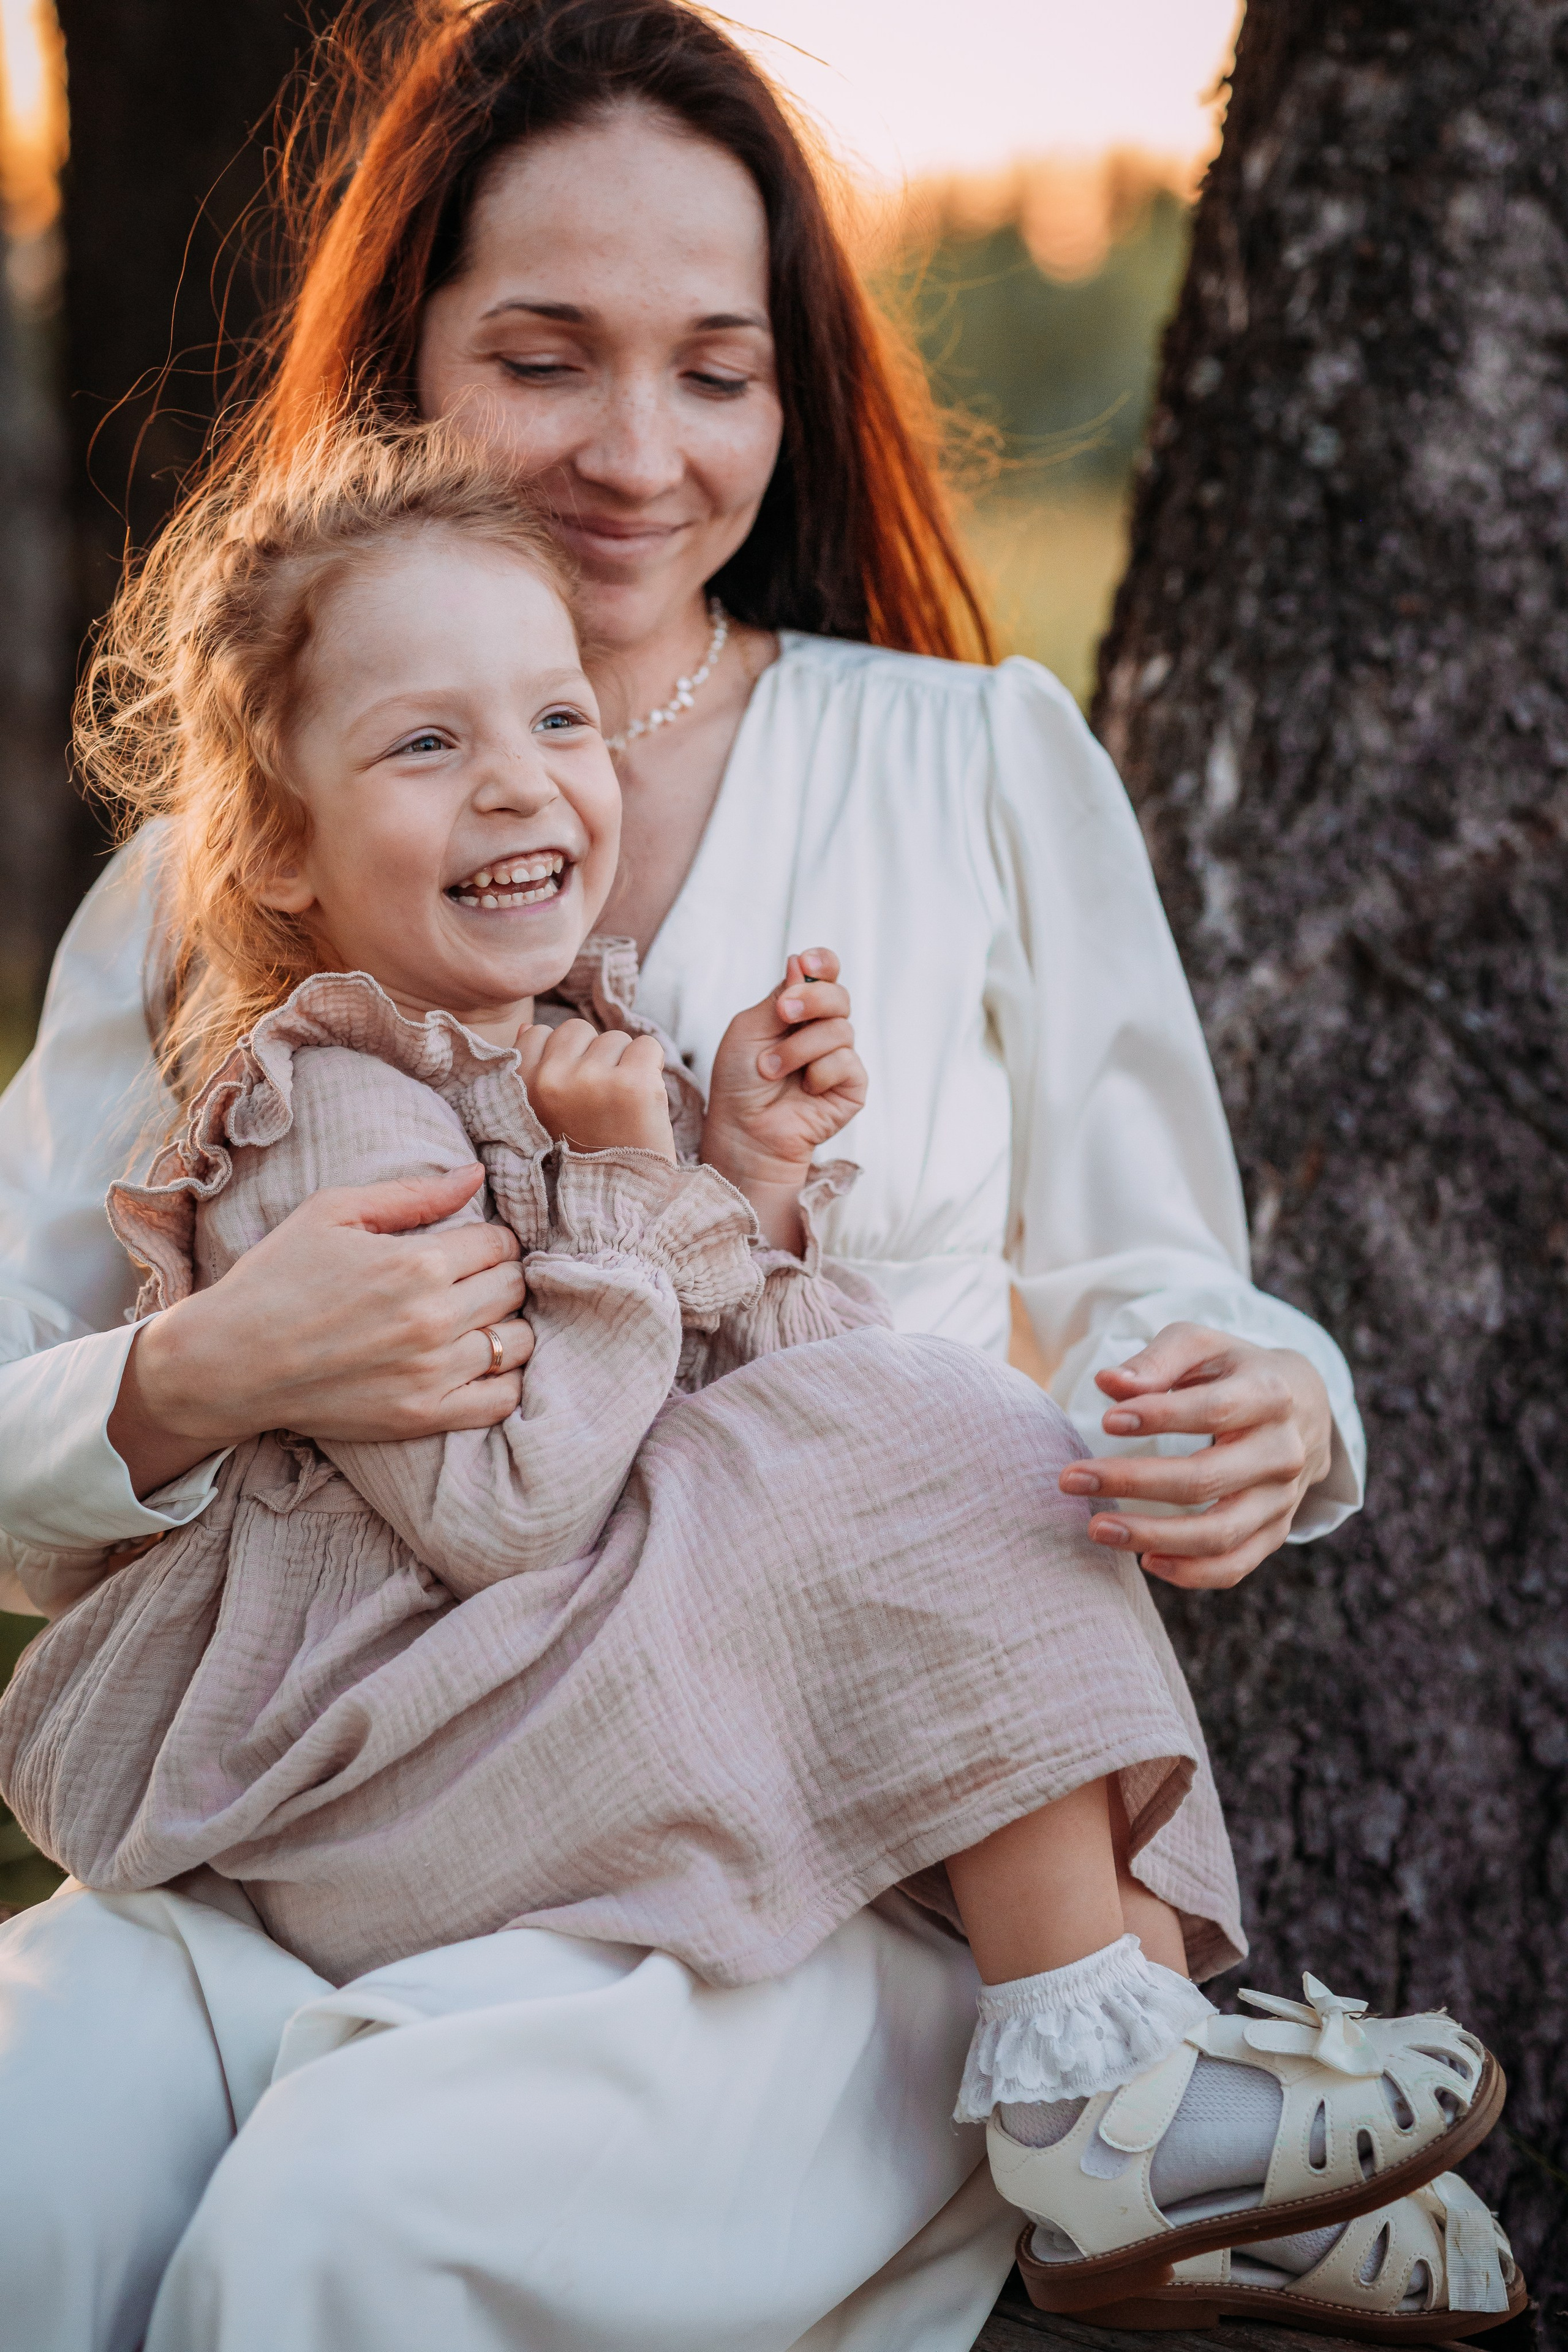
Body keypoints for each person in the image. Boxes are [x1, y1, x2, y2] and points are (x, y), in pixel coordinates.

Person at [0, 2, 1448, 2346]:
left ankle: (1098, 2092)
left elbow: (1160, 1282)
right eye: (546, 358)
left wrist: (1268, 1403)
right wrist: (186, 1377)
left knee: (345, 2238)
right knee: (18, 2172)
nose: (637, 454)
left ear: (790, 394)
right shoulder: (221, 870)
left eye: (717, 369)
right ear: (410, 367)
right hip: (317, 1808)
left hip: (796, 1861)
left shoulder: (971, 767)